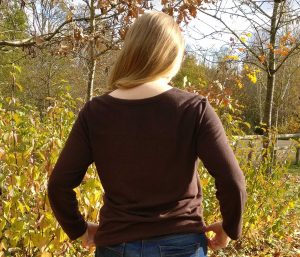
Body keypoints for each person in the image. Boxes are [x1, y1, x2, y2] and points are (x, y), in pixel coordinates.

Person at [47, 11, 247, 257]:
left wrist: (78, 229)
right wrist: (229, 227)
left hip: (115, 246)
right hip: (181, 245)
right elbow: (233, 181)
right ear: (172, 55)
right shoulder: (194, 109)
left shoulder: (95, 113)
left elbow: (58, 184)